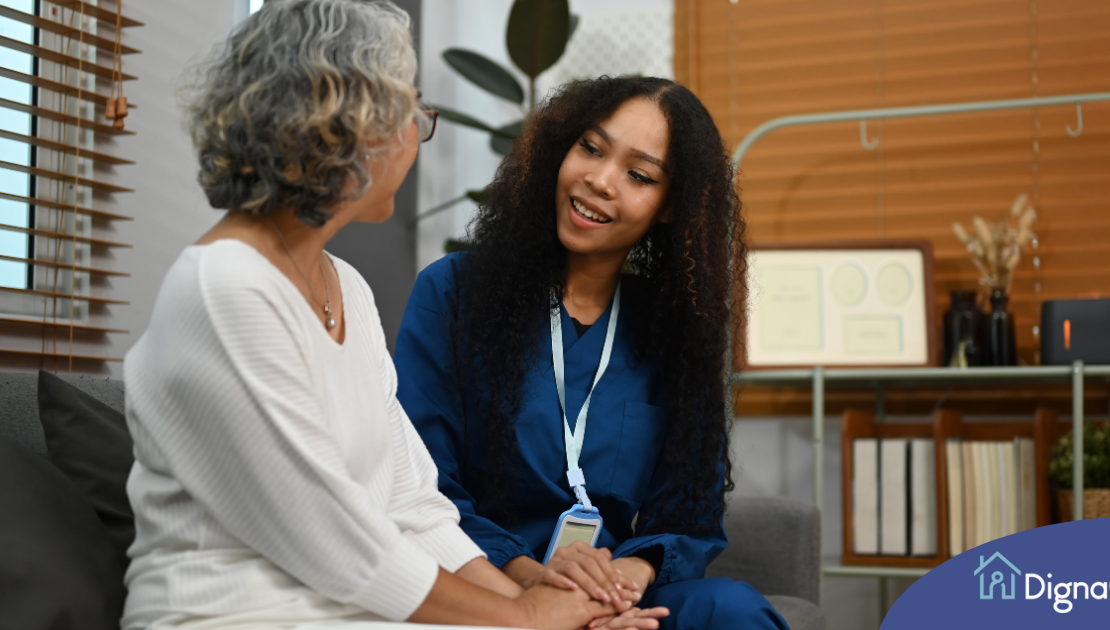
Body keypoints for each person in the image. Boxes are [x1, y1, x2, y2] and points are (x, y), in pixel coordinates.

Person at [121, 2, 661, 629]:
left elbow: (415, 506)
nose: (418, 130)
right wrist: (527, 621)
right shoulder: (225, 287)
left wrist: (534, 606)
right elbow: (336, 546)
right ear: (344, 125)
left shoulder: (345, 286)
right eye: (412, 111)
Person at [394, 76, 789, 630]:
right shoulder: (453, 294)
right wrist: (536, 585)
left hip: (617, 597)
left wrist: (627, 578)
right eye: (591, 148)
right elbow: (421, 482)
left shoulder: (676, 331)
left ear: (669, 206)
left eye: (639, 174)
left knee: (733, 610)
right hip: (491, 588)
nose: (600, 180)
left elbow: (689, 508)